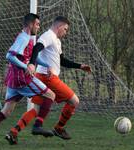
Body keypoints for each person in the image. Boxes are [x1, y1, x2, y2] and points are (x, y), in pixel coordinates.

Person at [6, 16, 91, 144]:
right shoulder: (48, 35)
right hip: (48, 77)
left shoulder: (56, 41)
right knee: (74, 101)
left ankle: (14, 132)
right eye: (66, 29)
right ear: (60, 27)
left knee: (36, 110)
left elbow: (62, 60)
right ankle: (58, 128)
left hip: (43, 76)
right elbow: (37, 47)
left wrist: (79, 66)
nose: (66, 32)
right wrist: (32, 64)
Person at [0, 13, 56, 145]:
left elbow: (30, 57)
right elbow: (10, 56)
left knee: (6, 111)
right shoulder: (23, 38)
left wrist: (47, 65)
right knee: (50, 95)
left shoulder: (28, 37)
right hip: (22, 78)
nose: (39, 27)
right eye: (37, 24)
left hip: (14, 79)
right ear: (30, 24)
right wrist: (26, 67)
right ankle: (37, 126)